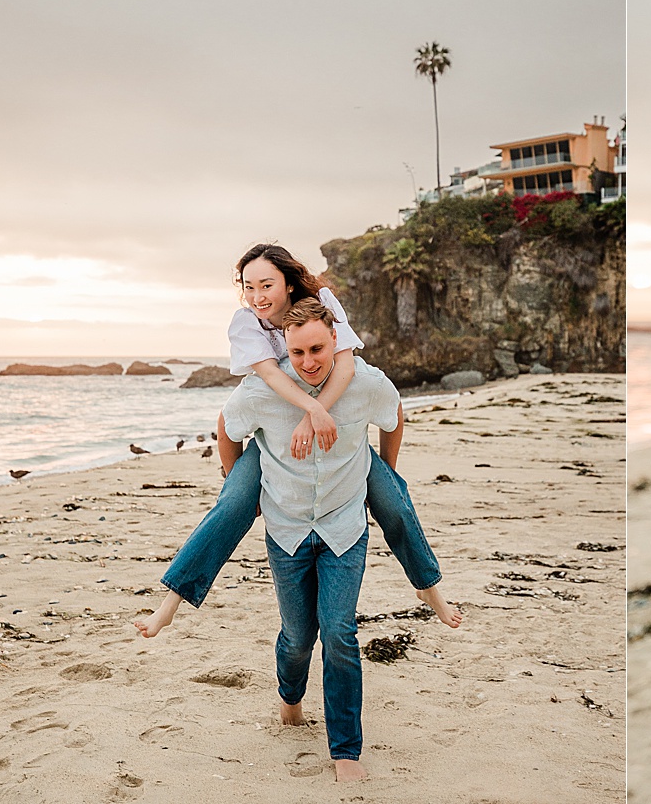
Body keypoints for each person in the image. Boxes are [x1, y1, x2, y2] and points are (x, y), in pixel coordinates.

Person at [134, 243, 460, 638]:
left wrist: (328, 423)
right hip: (272, 433)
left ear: (288, 283)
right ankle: (170, 605)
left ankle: (429, 590)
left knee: (393, 498)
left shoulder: (321, 304)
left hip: (327, 419)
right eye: (248, 286)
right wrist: (237, 474)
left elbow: (344, 364)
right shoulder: (246, 324)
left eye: (267, 285)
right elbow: (270, 378)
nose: (258, 297)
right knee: (233, 504)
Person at [221, 297, 399, 781]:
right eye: (298, 353)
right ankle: (290, 697)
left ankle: (346, 752)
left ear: (335, 340)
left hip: (345, 529)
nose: (309, 362)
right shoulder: (263, 389)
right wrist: (241, 489)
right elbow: (227, 427)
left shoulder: (364, 382)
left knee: (339, 633)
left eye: (318, 349)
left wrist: (385, 476)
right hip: (287, 530)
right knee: (299, 638)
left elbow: (394, 414)